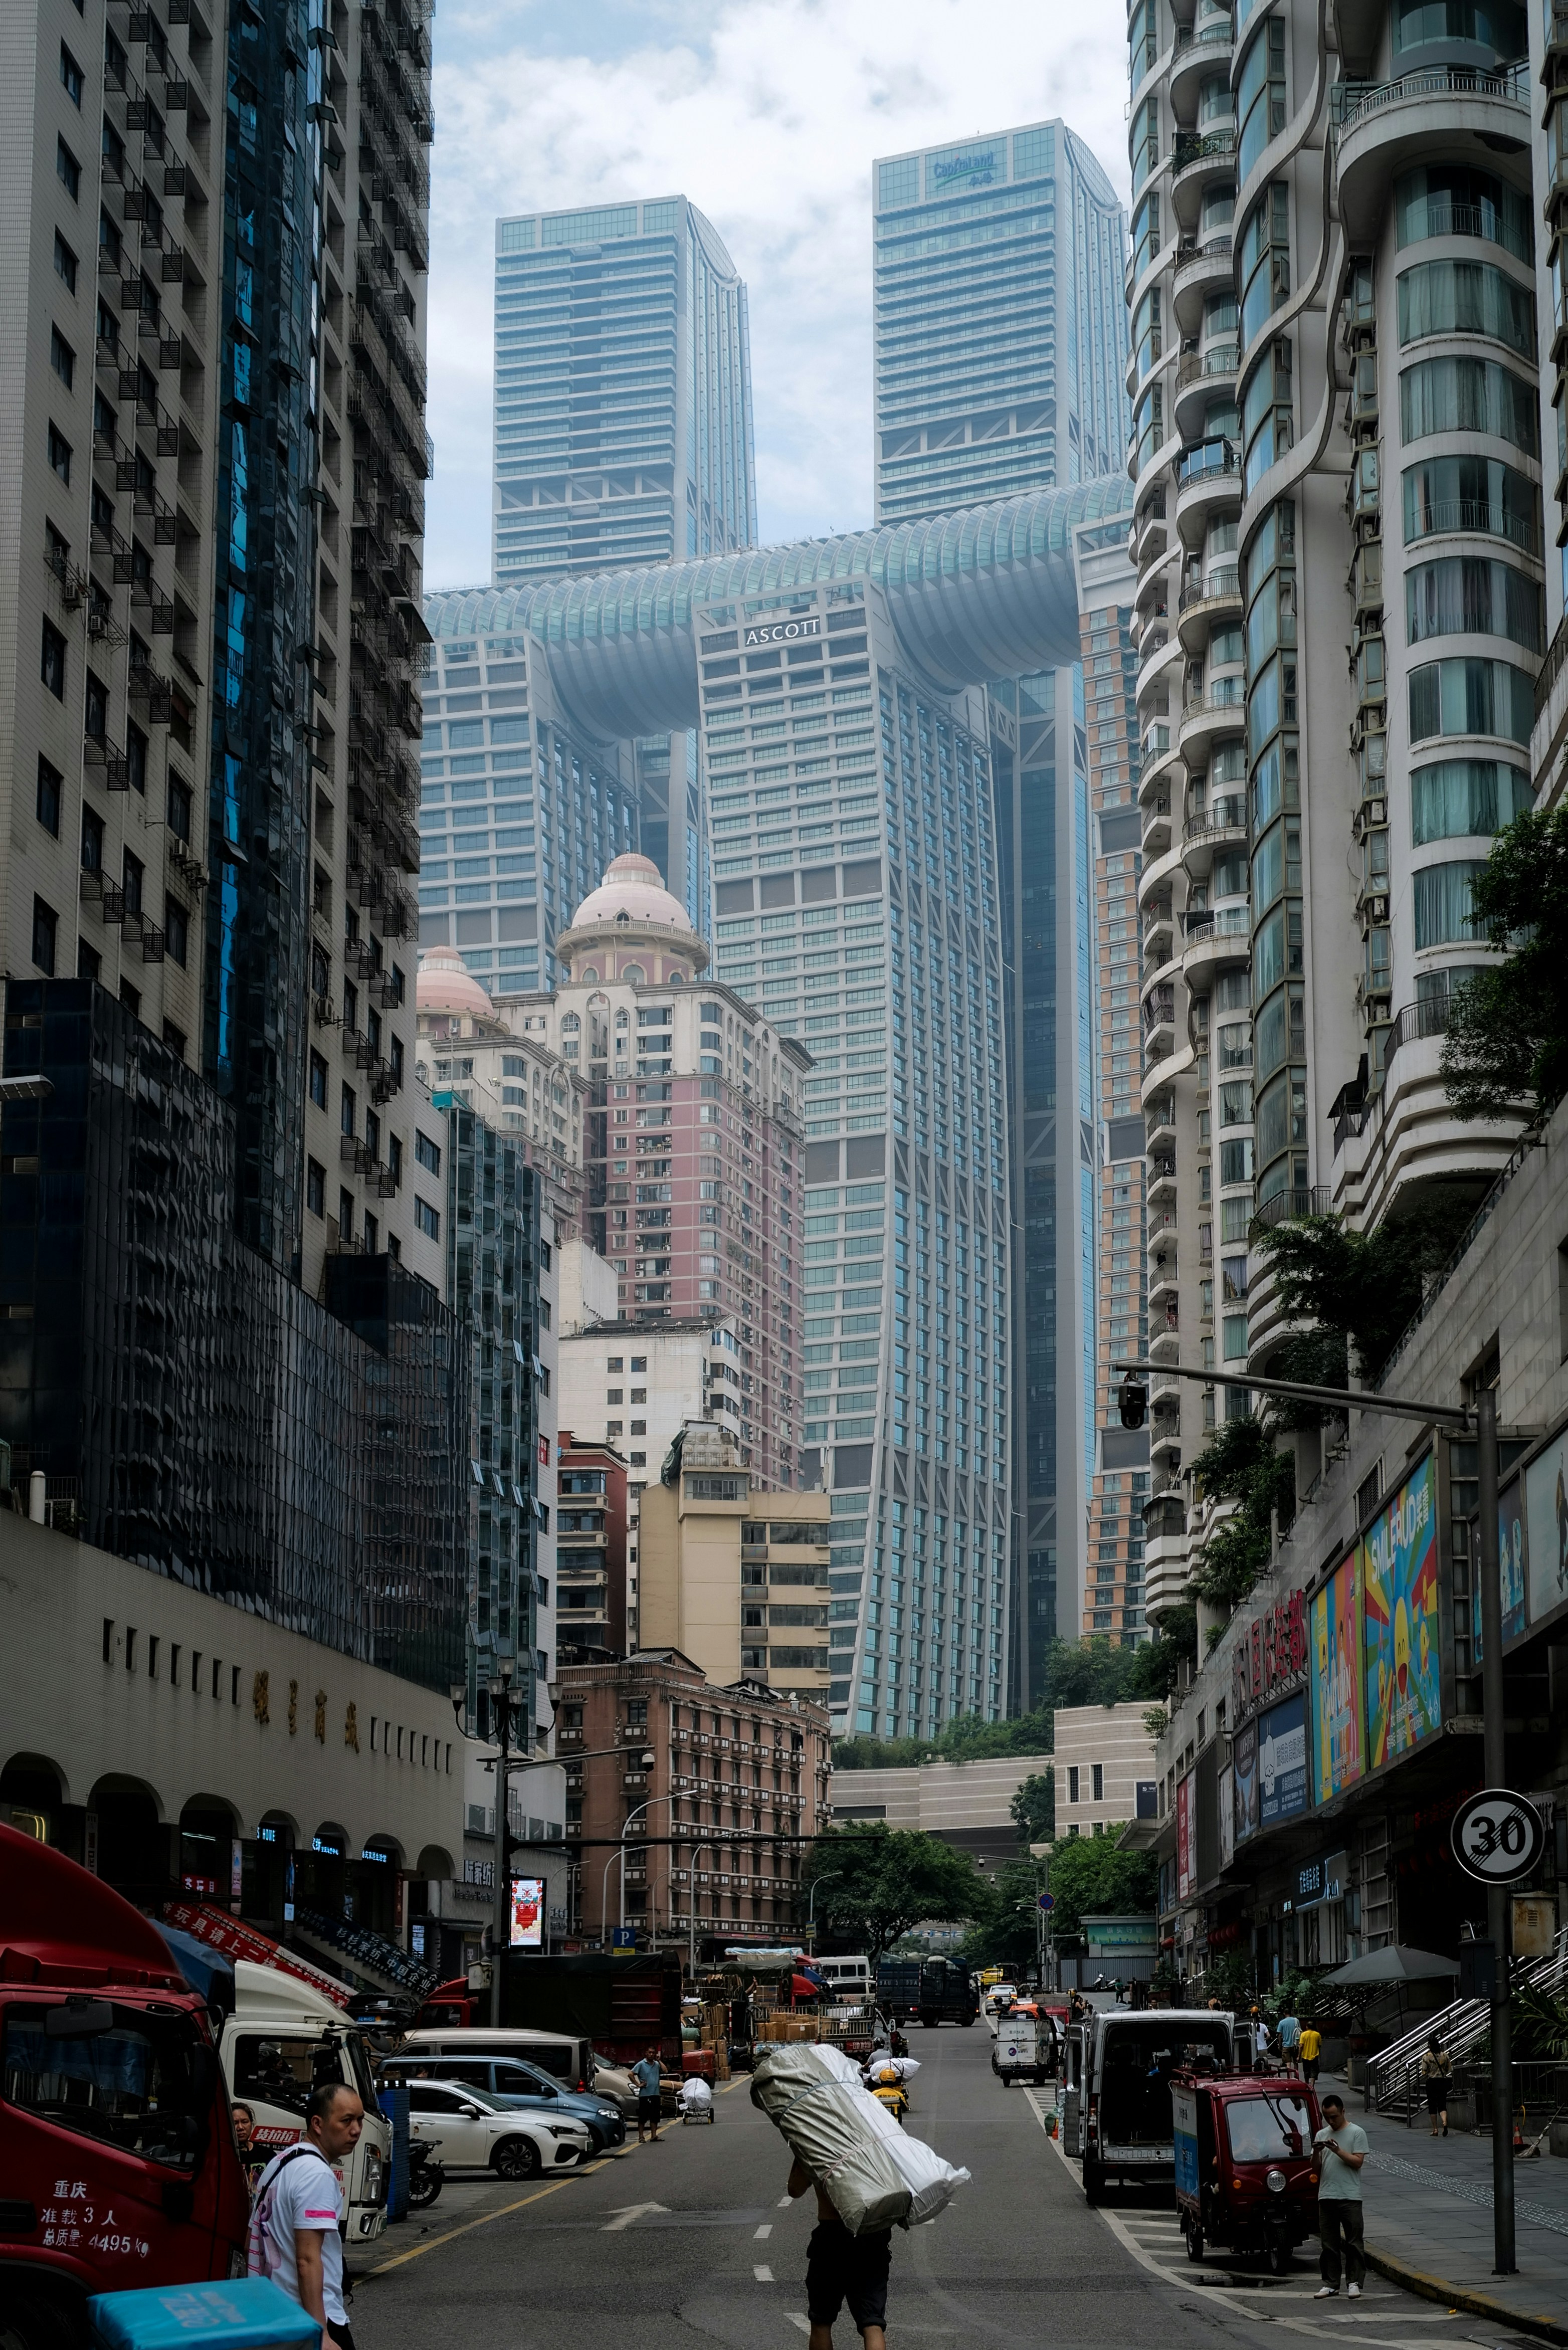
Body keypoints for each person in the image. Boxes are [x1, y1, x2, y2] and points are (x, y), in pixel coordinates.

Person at [248, 2080, 365, 2349]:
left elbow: (251, 2238)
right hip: (308, 2317)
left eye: (359, 2120)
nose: (356, 2130)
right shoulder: (317, 2175)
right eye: (346, 2121)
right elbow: (307, 2259)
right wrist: (321, 2334)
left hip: (272, 2312)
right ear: (318, 2123)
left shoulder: (280, 2162)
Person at [789, 2151, 890, 2350]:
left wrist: (800, 2155)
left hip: (831, 2236)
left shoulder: (817, 2139)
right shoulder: (875, 2137)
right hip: (871, 2235)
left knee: (821, 2321)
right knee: (872, 2323)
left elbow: (795, 2189)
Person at [1312, 2091, 1368, 2299]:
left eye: (1334, 2116)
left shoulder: (1357, 2133)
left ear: (1343, 2111)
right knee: (1329, 2243)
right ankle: (1330, 2283)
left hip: (1350, 2196)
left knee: (1354, 2242)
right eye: (1327, 2117)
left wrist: (1337, 2151)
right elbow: (1315, 2168)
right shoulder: (1321, 2134)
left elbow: (1358, 2162)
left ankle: (1354, 2282)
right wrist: (1317, 2152)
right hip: (1327, 2194)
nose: (1331, 2121)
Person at [1421, 2033, 1452, 2137]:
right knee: (1442, 2104)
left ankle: (1435, 2129)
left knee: (1432, 2106)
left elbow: (1424, 2071)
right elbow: (1449, 2069)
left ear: (1429, 2046)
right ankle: (1444, 2122)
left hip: (1432, 2083)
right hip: (1442, 2082)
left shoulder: (1427, 2057)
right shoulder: (1445, 2055)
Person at [632, 2044, 664, 2144]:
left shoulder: (657, 2064)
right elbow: (631, 2074)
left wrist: (659, 2060)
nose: (651, 2055)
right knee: (643, 2116)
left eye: (653, 2053)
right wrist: (638, 2084)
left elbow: (665, 2070)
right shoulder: (641, 2064)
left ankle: (654, 2135)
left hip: (655, 2094)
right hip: (645, 2095)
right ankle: (641, 2136)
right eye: (649, 2053)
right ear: (646, 2053)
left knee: (655, 2116)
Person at [1298, 2020, 1323, 2087]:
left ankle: (1307, 2084)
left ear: (1307, 2027)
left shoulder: (1303, 2034)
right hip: (1315, 2056)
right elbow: (1320, 2045)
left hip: (1305, 2056)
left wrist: (1299, 2056)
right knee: (1314, 2072)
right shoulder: (1317, 2035)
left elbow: (1301, 2046)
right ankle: (1312, 2086)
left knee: (1306, 2071)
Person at [1277, 2008, 1301, 2074]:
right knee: (1295, 2062)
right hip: (1295, 2045)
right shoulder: (1296, 2021)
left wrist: (1280, 2045)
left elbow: (1280, 2035)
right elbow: (1300, 2031)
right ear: (1291, 2013)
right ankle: (1297, 2076)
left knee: (1288, 2063)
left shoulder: (1282, 2023)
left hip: (1286, 2045)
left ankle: (1290, 2078)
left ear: (1284, 2014)